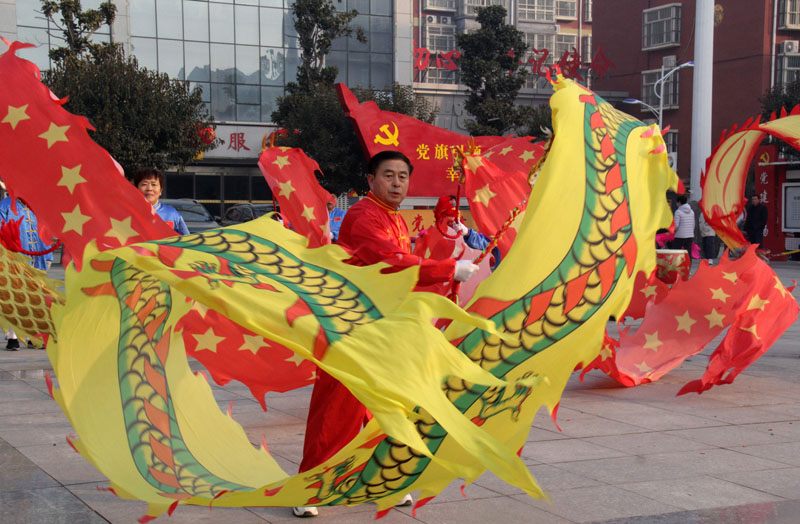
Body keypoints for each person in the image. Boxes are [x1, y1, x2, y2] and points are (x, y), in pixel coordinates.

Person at [293, 152, 479, 518]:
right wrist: (448, 269)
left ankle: (382, 482)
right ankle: (309, 488)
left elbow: (404, 263)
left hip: (383, 327)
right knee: (336, 409)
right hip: (352, 327)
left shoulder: (392, 217)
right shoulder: (364, 215)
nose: (397, 183)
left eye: (403, 177)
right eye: (389, 175)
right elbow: (390, 261)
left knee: (385, 407)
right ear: (371, 179)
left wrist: (448, 245)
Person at [0, 195, 54, 350]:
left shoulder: (36, 207)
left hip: (37, 260)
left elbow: (45, 233)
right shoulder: (5, 207)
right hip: (14, 260)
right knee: (14, 298)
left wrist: (47, 256)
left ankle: (33, 336)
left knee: (35, 298)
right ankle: (12, 336)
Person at [133, 168, 190, 235]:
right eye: (144, 184)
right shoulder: (129, 213)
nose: (149, 189)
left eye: (154, 184)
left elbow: (187, 241)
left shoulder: (172, 214)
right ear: (136, 189)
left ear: (160, 191)